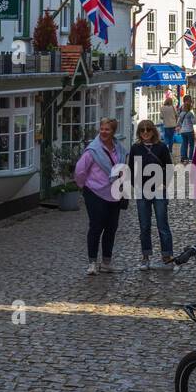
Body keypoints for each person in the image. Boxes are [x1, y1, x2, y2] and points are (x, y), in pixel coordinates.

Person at [74, 117, 127, 276]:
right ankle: (92, 263)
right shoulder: (93, 150)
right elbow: (80, 170)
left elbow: (123, 168)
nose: (104, 132)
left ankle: (106, 262)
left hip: (114, 193)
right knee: (96, 227)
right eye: (102, 129)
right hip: (95, 192)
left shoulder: (119, 149)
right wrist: (84, 186)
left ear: (113, 131)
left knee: (111, 228)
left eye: (107, 129)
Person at [127, 120, 173, 269]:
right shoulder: (135, 148)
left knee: (162, 224)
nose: (145, 132)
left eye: (148, 130)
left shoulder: (161, 147)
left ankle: (167, 256)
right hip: (142, 190)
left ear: (153, 131)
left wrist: (165, 183)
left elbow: (169, 167)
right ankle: (145, 256)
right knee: (144, 225)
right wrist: (136, 184)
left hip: (159, 190)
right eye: (142, 130)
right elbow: (131, 169)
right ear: (139, 132)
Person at [177, 94, 196, 163]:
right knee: (191, 145)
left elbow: (178, 121)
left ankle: (183, 157)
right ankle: (190, 158)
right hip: (189, 130)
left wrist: (180, 126)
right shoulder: (190, 112)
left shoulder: (181, 109)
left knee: (184, 143)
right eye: (190, 100)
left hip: (183, 130)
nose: (191, 102)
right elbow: (194, 122)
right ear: (187, 101)